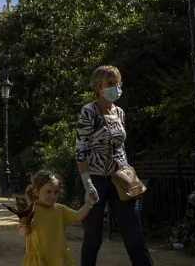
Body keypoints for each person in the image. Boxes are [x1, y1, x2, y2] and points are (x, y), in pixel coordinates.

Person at [75, 65, 154, 266]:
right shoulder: (89, 111)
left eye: (117, 83)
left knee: (134, 235)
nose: (114, 87)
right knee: (93, 238)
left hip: (121, 179)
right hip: (96, 179)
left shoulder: (120, 112)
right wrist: (87, 183)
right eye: (109, 84)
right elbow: (80, 149)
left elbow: (121, 146)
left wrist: (127, 172)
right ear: (98, 87)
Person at [17, 169, 94, 266]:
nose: (53, 196)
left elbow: (78, 216)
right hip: (38, 259)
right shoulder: (29, 211)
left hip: (58, 258)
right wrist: (24, 229)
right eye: (48, 191)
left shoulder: (60, 209)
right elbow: (21, 232)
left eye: (56, 192)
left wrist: (89, 203)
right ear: (36, 192)